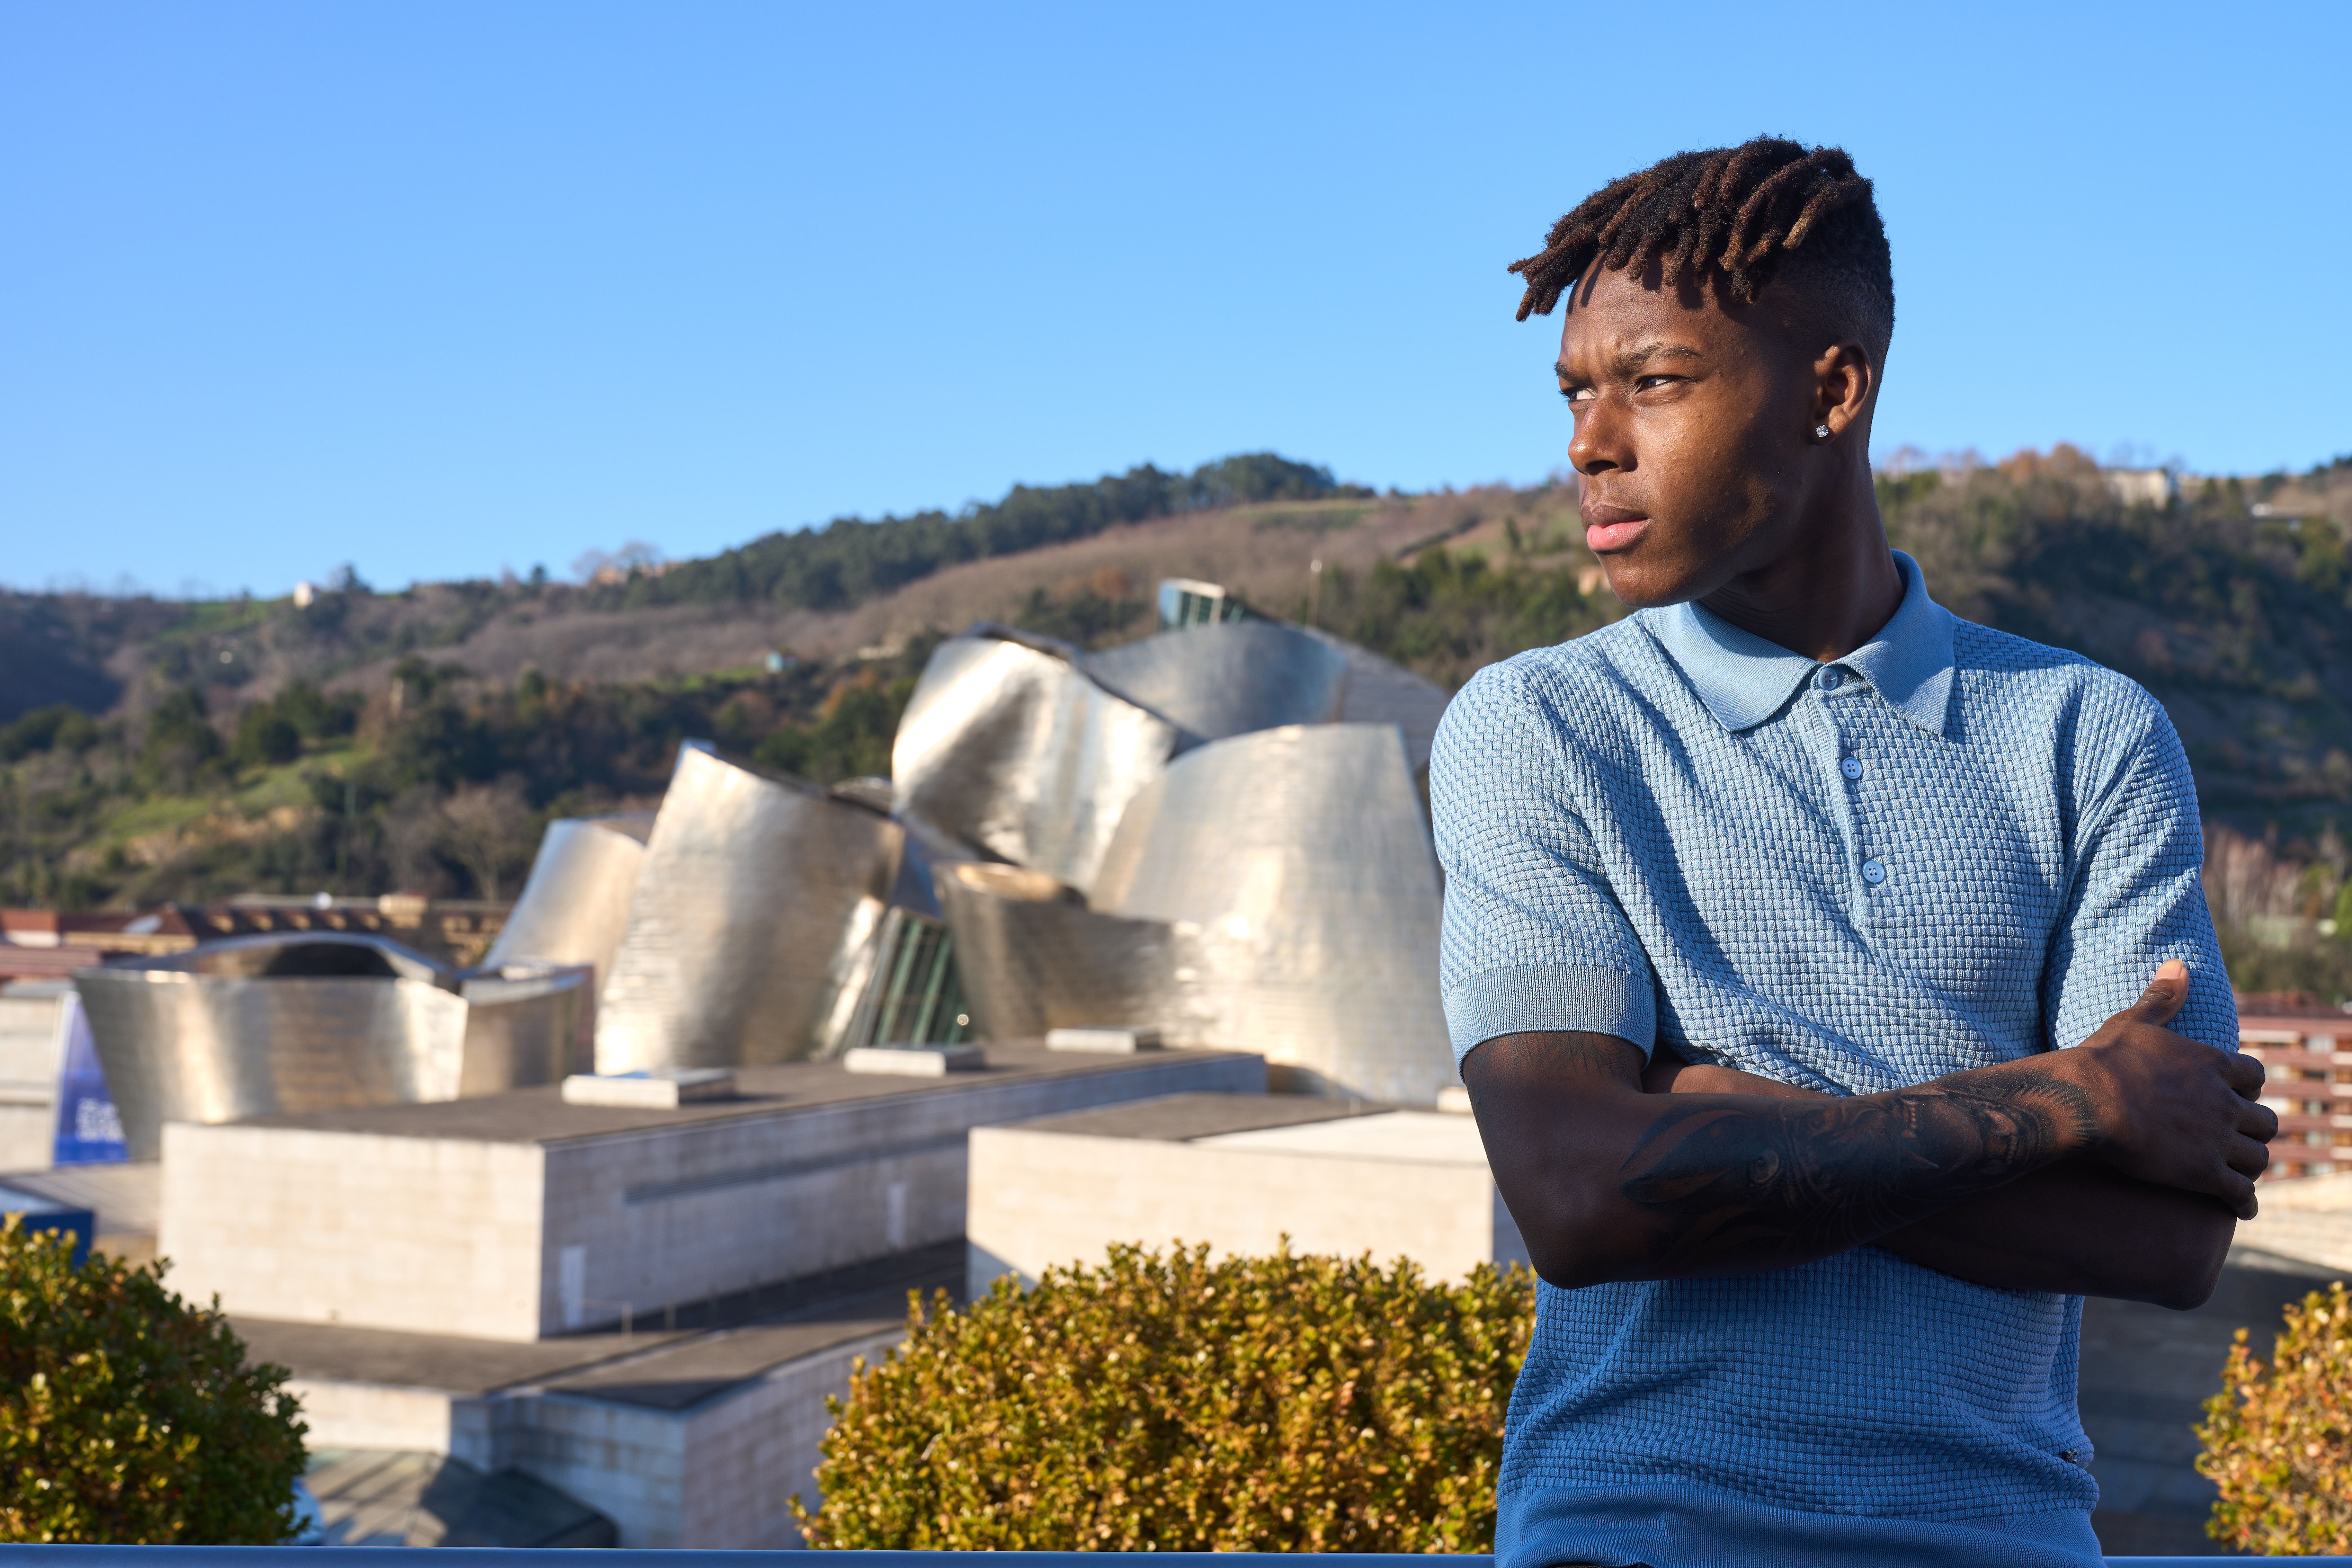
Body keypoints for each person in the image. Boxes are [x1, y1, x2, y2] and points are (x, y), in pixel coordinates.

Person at [1432, 137, 2278, 1568]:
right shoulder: (1541, 725)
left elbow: (2168, 1241)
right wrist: (2072, 1095)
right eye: (1578, 391)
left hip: (2003, 1538)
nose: (1590, 441)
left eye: (1655, 381)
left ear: (1832, 388)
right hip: (1639, 1533)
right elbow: (1575, 1190)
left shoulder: (2085, 733)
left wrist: (1706, 1111)